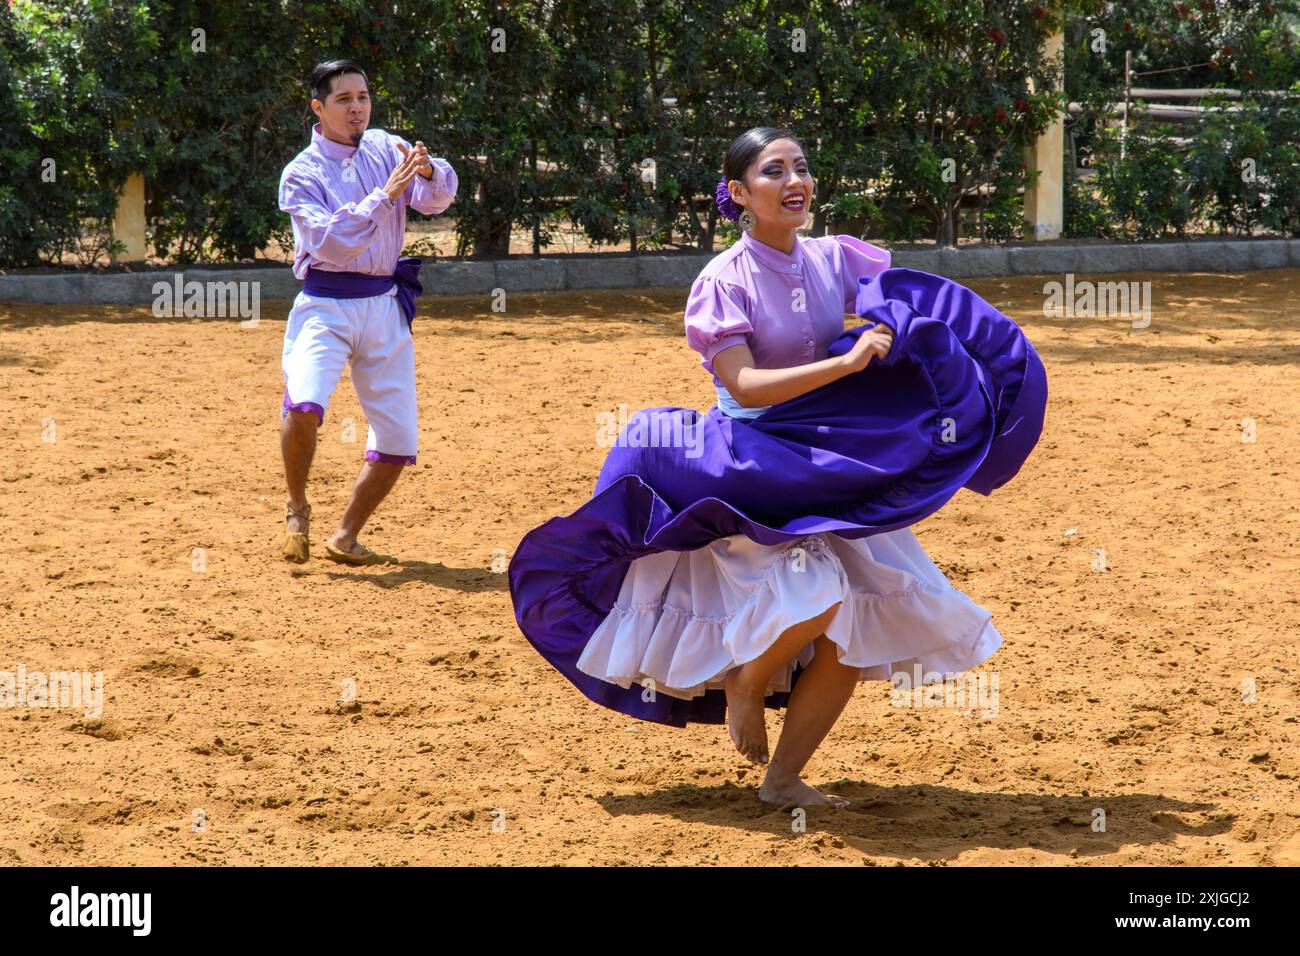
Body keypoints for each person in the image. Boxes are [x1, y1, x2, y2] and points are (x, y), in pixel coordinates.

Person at [509, 127, 1047, 808]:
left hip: (827, 458)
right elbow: (746, 386)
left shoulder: (833, 256)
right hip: (753, 466)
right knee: (818, 596)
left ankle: (784, 778)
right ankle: (747, 680)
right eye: (774, 171)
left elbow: (905, 299)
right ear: (739, 194)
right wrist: (847, 362)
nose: (795, 181)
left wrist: (946, 346)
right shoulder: (721, 280)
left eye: (801, 167)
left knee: (858, 628)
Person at [278, 59, 457, 565]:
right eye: (343, 99)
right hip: (325, 305)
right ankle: (296, 507)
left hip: (384, 305)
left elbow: (437, 198)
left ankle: (345, 536)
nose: (357, 107)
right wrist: (388, 194)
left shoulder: (385, 145)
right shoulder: (301, 173)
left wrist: (427, 169)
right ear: (318, 108)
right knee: (305, 403)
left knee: (399, 440)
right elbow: (333, 243)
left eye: (363, 97)